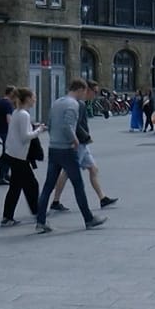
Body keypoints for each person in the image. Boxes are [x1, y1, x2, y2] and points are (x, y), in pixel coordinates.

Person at [34, 79, 107, 234]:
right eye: (84, 91)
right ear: (80, 89)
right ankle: (88, 219)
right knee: (78, 185)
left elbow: (51, 123)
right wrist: (74, 140)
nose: (84, 95)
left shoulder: (57, 103)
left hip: (54, 147)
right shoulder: (73, 105)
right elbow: (68, 126)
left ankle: (40, 221)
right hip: (67, 149)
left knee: (48, 185)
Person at [49, 80, 117, 212]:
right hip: (79, 143)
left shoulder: (81, 103)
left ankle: (102, 198)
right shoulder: (79, 104)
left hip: (82, 143)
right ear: (87, 90)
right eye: (95, 92)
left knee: (93, 169)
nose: (95, 95)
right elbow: (76, 125)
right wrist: (84, 137)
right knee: (67, 173)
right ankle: (56, 201)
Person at [0, 87, 44, 227]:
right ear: (27, 99)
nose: (35, 100)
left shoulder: (17, 113)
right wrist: (39, 130)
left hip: (12, 153)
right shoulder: (24, 114)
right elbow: (25, 137)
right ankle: (37, 212)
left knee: (16, 186)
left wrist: (33, 127)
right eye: (33, 97)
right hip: (19, 156)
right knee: (32, 184)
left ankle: (7, 217)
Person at [0, 86, 15, 185]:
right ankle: (2, 177)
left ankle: (5, 174)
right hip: (6, 131)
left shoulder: (0, 101)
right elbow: (9, 119)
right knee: (7, 154)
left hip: (0, 130)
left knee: (7, 153)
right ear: (11, 93)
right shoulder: (8, 104)